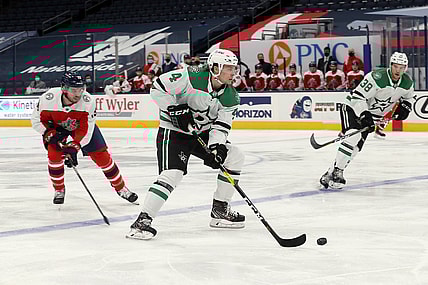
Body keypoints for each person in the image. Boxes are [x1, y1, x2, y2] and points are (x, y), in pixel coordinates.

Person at [126, 48, 245, 240]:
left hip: (202, 133)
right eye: (229, 68)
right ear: (215, 67)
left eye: (234, 68)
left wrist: (217, 147)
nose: (234, 73)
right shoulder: (191, 76)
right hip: (173, 132)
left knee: (235, 157)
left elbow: (221, 125)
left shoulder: (231, 96)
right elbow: (157, 87)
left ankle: (220, 210)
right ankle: (142, 222)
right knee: (172, 173)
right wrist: (173, 109)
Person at [31, 71, 138, 204]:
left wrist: (74, 147)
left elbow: (86, 130)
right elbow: (36, 121)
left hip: (80, 128)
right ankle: (59, 189)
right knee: (54, 156)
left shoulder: (88, 101)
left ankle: (121, 188)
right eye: (74, 90)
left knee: (102, 157)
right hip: (56, 128)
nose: (78, 94)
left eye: (81, 89)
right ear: (64, 88)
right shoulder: (48, 98)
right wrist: (49, 133)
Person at [319, 52, 414, 189]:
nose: (398, 70)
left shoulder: (407, 83)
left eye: (401, 67)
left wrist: (406, 107)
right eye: (395, 66)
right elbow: (358, 97)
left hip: (372, 116)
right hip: (352, 108)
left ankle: (331, 172)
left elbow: (408, 97)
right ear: (390, 65)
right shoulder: (377, 77)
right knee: (354, 136)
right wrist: (365, 114)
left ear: (405, 68)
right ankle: (338, 171)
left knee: (356, 148)